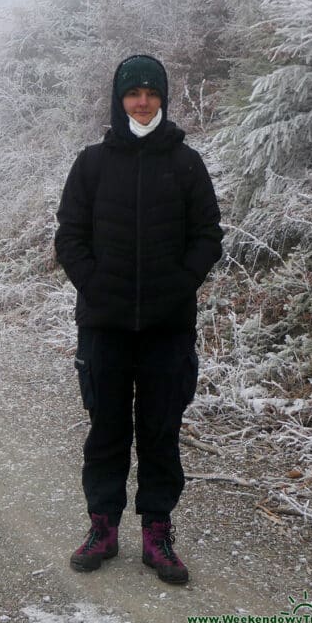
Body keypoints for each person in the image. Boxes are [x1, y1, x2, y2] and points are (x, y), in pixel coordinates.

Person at [54, 54, 223, 585]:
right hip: (104, 325)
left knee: (160, 430)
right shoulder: (92, 164)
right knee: (105, 427)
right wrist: (97, 284)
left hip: (167, 328)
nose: (143, 101)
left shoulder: (186, 163)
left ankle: (157, 531)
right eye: (133, 93)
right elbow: (70, 236)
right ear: (119, 99)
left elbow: (207, 236)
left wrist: (179, 285)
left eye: (151, 92)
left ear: (163, 98)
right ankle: (102, 526)